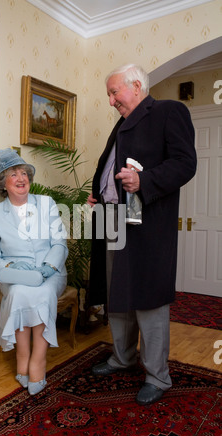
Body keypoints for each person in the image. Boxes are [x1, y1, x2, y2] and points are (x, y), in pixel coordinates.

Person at [88, 64, 197, 405]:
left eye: (114, 92)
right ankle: (123, 358)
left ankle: (157, 376)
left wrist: (144, 181)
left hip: (146, 224)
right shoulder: (122, 124)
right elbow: (110, 169)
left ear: (136, 86)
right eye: (109, 94)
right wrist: (99, 193)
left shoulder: (168, 111)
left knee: (148, 300)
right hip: (111, 218)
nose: (110, 101)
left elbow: (185, 162)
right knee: (116, 295)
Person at [0, 148, 68, 395]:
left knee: (43, 293)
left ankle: (37, 361)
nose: (21, 179)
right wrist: (11, 267)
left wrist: (48, 267)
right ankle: (22, 356)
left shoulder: (47, 204)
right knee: (19, 292)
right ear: (3, 183)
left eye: (24, 173)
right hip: (16, 276)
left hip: (51, 272)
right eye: (13, 175)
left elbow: (59, 243)